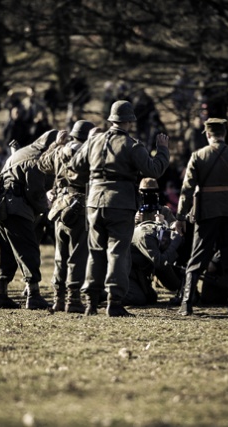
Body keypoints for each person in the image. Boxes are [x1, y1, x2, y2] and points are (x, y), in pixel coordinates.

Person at [69, 100, 170, 317]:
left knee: (95, 251)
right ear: (129, 121)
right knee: (117, 251)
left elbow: (75, 165)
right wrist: (162, 150)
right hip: (120, 203)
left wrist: (95, 175)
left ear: (112, 120)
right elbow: (154, 170)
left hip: (94, 202)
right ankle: (114, 302)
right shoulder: (132, 145)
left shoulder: (94, 140)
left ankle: (91, 303)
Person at [175, 118, 228, 316]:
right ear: (225, 134)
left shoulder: (198, 156)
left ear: (207, 134)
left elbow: (186, 190)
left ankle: (187, 303)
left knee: (197, 258)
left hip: (207, 213)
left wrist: (180, 216)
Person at [0, 130, 58, 310]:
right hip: (17, 209)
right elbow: (35, 193)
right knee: (28, 251)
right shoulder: (37, 159)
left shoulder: (23, 152)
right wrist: (47, 208)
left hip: (0, 208)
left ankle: (1, 295)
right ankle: (33, 295)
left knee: (7, 253)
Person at [38, 120, 95, 313]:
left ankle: (58, 299)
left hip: (60, 206)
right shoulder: (88, 152)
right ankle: (74, 299)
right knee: (78, 255)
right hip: (80, 206)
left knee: (60, 255)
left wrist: (56, 145)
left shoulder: (59, 151)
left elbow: (41, 164)